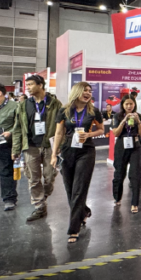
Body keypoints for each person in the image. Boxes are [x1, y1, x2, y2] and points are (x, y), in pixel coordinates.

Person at [50, 82, 105, 244]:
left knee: (79, 188)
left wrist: (89, 134)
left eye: (90, 91)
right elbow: (59, 133)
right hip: (67, 149)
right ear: (77, 92)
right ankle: (84, 211)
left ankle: (74, 228)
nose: (88, 93)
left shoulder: (94, 111)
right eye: (85, 90)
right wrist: (54, 154)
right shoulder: (64, 111)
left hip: (86, 151)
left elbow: (101, 130)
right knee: (70, 188)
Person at [12, 74, 63, 222]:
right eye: (26, 85)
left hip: (50, 146)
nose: (27, 88)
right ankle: (39, 206)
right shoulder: (23, 105)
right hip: (30, 146)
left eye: (30, 85)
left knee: (50, 176)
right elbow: (18, 128)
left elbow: (62, 127)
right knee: (33, 178)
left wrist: (59, 146)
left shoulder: (55, 103)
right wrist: (16, 149)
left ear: (40, 85)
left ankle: (43, 196)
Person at [111, 96, 141, 213]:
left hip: (135, 145)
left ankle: (135, 203)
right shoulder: (117, 116)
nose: (129, 106)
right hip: (121, 145)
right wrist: (124, 120)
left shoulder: (138, 116)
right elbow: (116, 133)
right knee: (119, 173)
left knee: (135, 174)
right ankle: (117, 197)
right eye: (127, 104)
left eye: (131, 104)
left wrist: (138, 121)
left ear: (134, 104)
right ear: (122, 105)